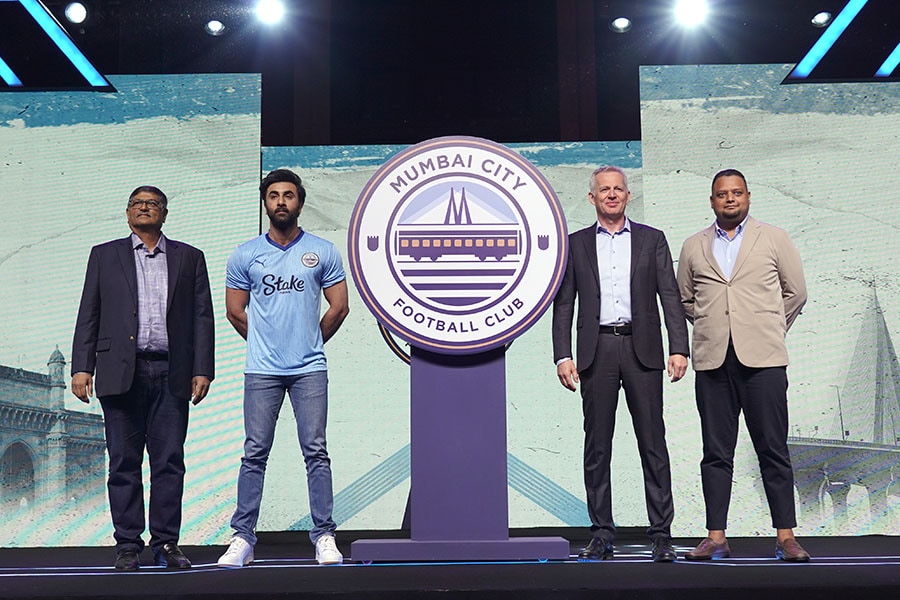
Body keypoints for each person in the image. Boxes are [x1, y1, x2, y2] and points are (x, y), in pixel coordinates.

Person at [71, 186, 215, 570]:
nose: (146, 208)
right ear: (127, 213)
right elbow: (90, 310)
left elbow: (203, 317)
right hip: (121, 371)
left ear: (164, 214)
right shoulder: (104, 255)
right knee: (123, 461)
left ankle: (166, 543)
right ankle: (128, 545)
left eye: (153, 204)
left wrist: (203, 369)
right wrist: (81, 366)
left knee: (169, 461)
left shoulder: (189, 257)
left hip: (173, 371)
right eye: (138, 203)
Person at [552, 166, 689, 562]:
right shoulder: (575, 244)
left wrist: (678, 347)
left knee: (653, 443)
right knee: (597, 446)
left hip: (642, 349)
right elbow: (565, 304)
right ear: (592, 198)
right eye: (603, 190)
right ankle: (601, 534)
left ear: (628, 196)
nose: (611, 195)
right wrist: (563, 354)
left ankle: (661, 534)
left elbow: (670, 296)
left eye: (618, 189)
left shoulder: (652, 239)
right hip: (597, 351)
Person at [217, 168, 349, 568]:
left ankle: (324, 535)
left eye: (288, 195)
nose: (280, 202)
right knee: (254, 453)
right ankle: (242, 538)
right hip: (261, 371)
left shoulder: (323, 250)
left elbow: (339, 306)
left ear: (300, 202)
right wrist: (265, 343)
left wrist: (308, 341)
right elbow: (234, 310)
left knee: (316, 451)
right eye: (273, 195)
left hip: (310, 369)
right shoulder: (245, 254)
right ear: (266, 202)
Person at [677, 168, 809, 562]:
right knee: (716, 452)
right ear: (712, 200)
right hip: (714, 361)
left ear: (748, 196)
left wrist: (766, 326)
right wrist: (718, 327)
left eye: (736, 193)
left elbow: (796, 292)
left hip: (764, 360)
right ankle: (716, 536)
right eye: (721, 194)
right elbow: (686, 299)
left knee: (772, 448)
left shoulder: (774, 238)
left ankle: (786, 536)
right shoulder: (693, 245)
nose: (729, 199)